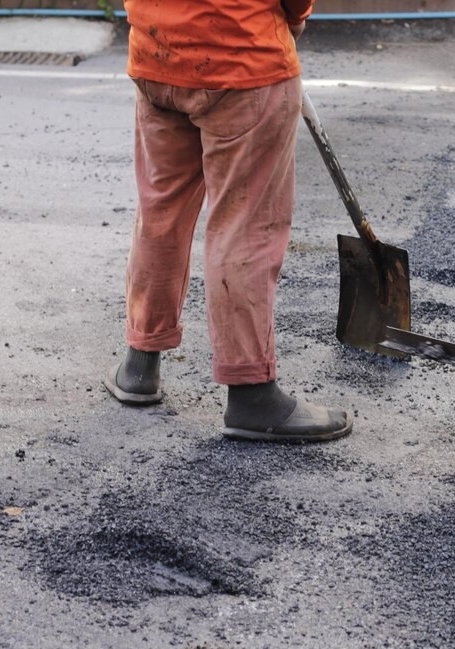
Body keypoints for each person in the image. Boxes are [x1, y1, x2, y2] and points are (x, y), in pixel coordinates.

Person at [103, 0, 353, 443]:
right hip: (243, 60)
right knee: (246, 226)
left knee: (160, 214)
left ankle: (139, 365)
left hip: (158, 57)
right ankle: (252, 393)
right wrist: (293, 20)